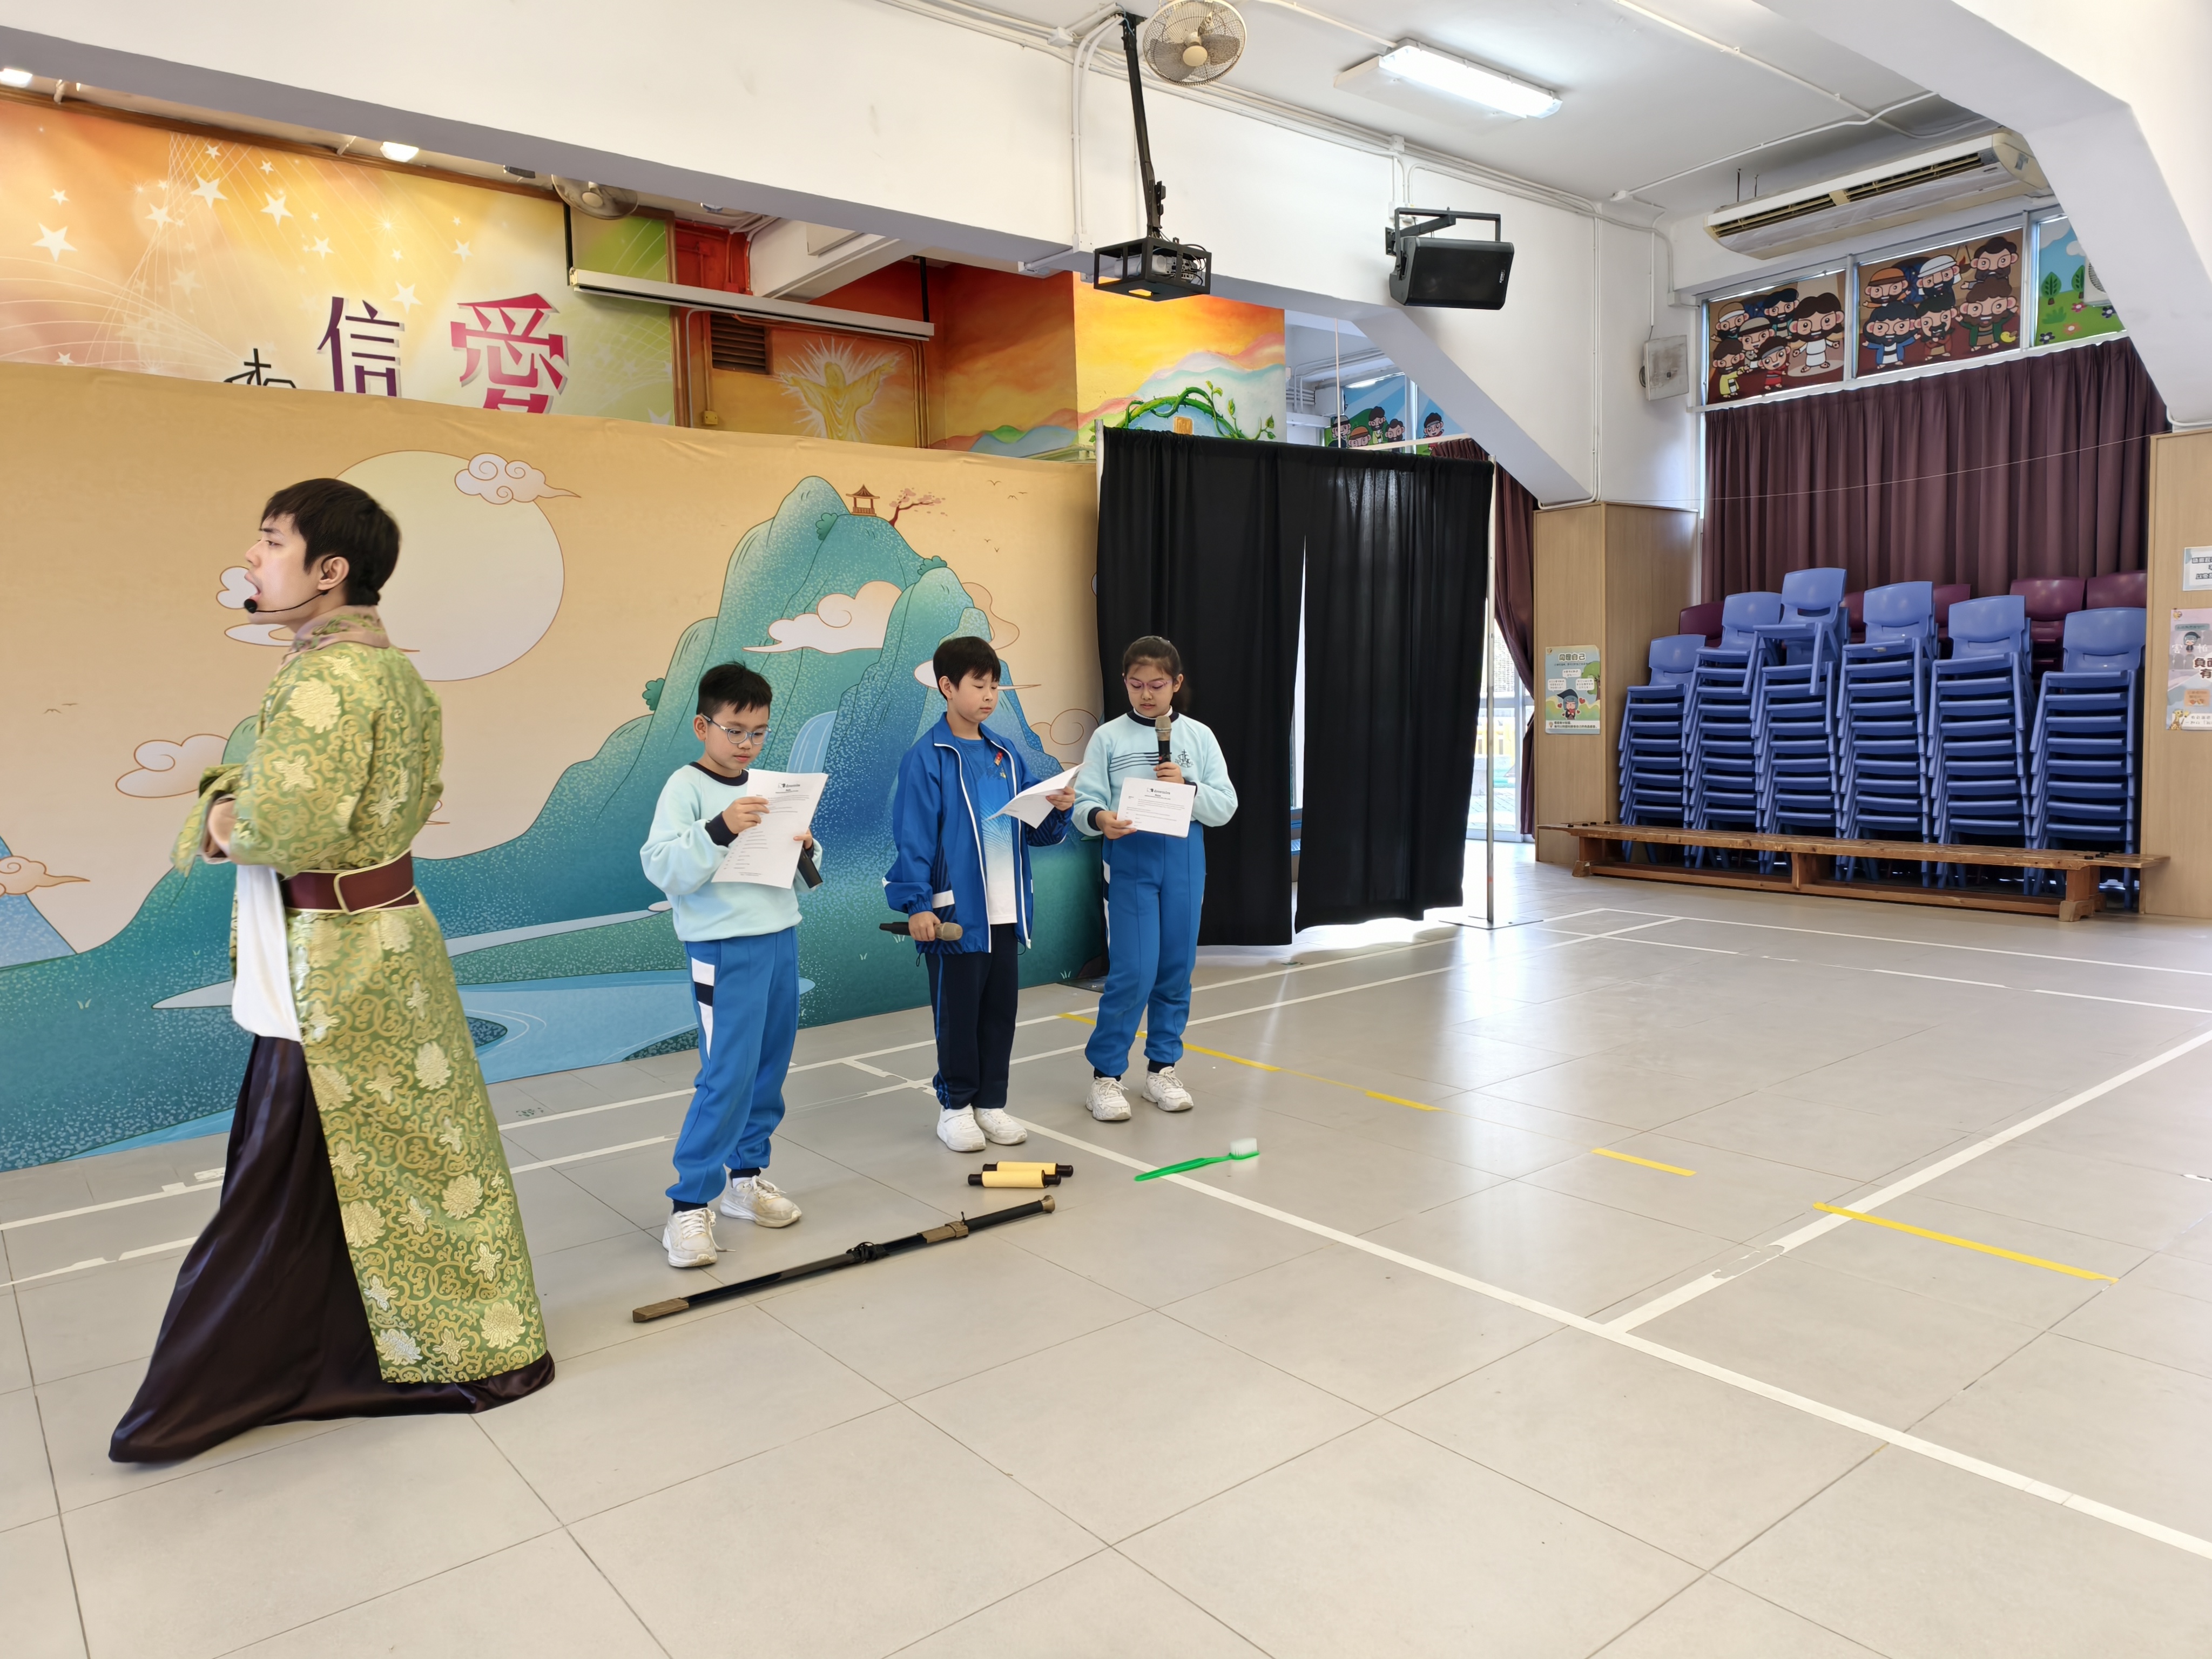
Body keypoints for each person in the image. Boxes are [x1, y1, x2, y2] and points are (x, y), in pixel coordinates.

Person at [111, 480, 551, 1464]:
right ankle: (444, 1345)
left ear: (330, 570)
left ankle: (220, 1383)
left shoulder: (324, 680)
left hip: (335, 967)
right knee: (402, 1161)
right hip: (389, 941)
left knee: (282, 1175)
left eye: (272, 542)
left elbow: (287, 825)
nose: (254, 559)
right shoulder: (392, 673)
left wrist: (220, 810)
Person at [640, 662, 820, 1268]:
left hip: (779, 935)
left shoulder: (768, 785)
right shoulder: (685, 788)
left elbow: (786, 867)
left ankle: (745, 1179)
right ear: (703, 726)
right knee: (727, 1074)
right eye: (735, 730)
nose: (747, 743)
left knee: (768, 1069)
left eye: (759, 732)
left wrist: (805, 844)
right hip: (722, 947)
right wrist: (719, 827)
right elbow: (662, 867)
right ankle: (688, 1206)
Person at [887, 635, 1076, 1152]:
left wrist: (1058, 809)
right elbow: (914, 839)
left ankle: (991, 1103)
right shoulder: (927, 758)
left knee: (998, 1014)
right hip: (957, 915)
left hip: (1006, 912)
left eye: (995, 685)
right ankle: (955, 1107)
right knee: (958, 1016)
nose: (990, 695)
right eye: (979, 685)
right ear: (947, 687)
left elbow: (1035, 832)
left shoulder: (1005, 753)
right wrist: (917, 904)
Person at [1073, 636, 1238, 1121]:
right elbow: (1085, 802)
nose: (1146, 695)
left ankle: (1162, 1068)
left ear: (1177, 684)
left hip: (1184, 859)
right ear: (1124, 682)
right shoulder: (1109, 737)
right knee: (1134, 971)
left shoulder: (1200, 737)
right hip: (1131, 859)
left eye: (1157, 685)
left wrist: (1188, 788)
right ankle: (1106, 1077)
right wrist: (1101, 818)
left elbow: (1225, 806)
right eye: (1136, 684)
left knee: (1175, 970)